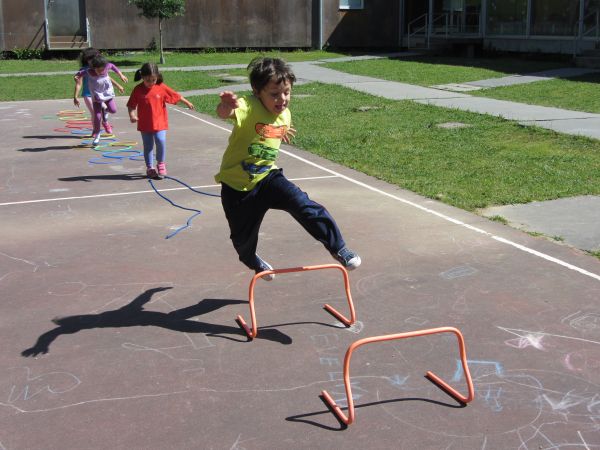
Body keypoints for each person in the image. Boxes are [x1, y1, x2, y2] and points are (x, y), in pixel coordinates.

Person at [215, 57, 361, 280]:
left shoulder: (284, 114)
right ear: (257, 92)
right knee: (242, 241)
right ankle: (253, 261)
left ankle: (338, 247)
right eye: (274, 94)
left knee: (301, 202)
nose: (282, 99)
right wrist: (226, 107)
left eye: (286, 92)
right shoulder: (248, 105)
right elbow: (228, 114)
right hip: (236, 188)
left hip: (267, 178)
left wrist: (281, 132)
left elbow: (271, 127)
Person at [126, 62, 195, 179]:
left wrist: (187, 102)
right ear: (142, 77)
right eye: (147, 80)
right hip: (145, 124)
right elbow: (131, 105)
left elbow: (175, 95)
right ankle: (150, 168)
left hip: (160, 122)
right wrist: (132, 115)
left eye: (153, 79)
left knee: (160, 140)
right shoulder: (138, 89)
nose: (150, 82)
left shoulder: (161, 87)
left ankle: (161, 163)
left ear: (157, 77)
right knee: (148, 146)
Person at [74, 55, 127, 145]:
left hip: (107, 92)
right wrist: (77, 76)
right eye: (98, 70)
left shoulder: (106, 66)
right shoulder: (89, 71)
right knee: (97, 116)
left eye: (102, 70)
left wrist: (121, 75)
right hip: (96, 95)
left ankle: (105, 111)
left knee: (113, 110)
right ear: (94, 68)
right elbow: (81, 73)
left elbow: (113, 66)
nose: (101, 72)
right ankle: (97, 135)